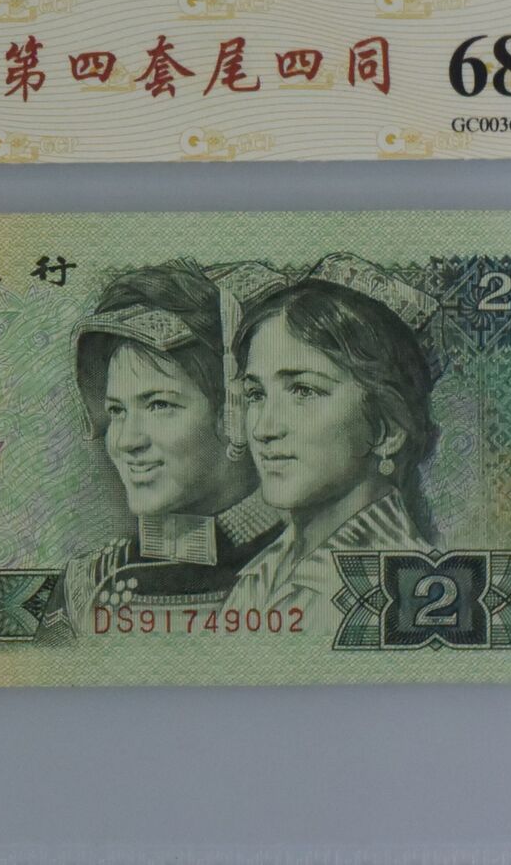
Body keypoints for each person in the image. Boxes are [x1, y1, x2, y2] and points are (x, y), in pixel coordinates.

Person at [36, 260, 287, 643]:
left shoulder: (315, 568)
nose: (126, 441)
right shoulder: (87, 587)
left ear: (236, 412)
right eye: (117, 411)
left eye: (159, 405)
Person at [222, 268, 438, 637]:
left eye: (303, 391)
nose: (263, 429)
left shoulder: (405, 593)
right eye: (256, 395)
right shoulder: (261, 573)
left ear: (386, 430)